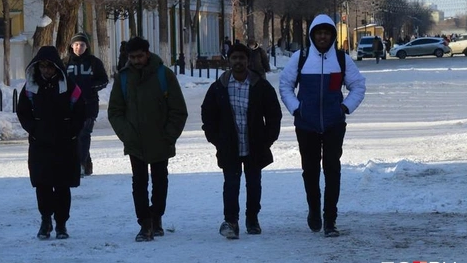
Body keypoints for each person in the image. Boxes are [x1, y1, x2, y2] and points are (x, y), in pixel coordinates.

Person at [279, 15, 366, 237]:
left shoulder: (342, 59)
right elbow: (285, 85)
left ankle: (330, 220)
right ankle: (314, 211)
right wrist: (296, 109)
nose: (323, 36)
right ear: (312, 35)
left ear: (333, 35)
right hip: (306, 125)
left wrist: (344, 108)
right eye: (319, 33)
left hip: (333, 124)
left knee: (332, 171)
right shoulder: (301, 58)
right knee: (310, 172)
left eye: (327, 33)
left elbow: (358, 86)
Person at [107, 37, 188, 242]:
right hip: (135, 141)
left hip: (160, 139)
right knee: (139, 182)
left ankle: (156, 216)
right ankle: (144, 223)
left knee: (160, 180)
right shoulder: (124, 78)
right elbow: (115, 111)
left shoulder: (164, 75)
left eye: (139, 56)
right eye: (132, 57)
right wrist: (126, 134)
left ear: (147, 54)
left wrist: (169, 135)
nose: (136, 60)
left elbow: (178, 110)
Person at [201, 42, 282, 239]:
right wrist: (216, 139)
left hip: (255, 145)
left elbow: (274, 115)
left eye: (242, 58)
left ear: (248, 61)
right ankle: (231, 221)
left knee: (254, 184)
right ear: (229, 61)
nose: (238, 62)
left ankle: (252, 220)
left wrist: (267, 140)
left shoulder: (260, 85)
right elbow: (208, 116)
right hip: (229, 145)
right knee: (231, 184)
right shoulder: (219, 87)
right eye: (234, 58)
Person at [17, 46, 85, 240]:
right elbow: (23, 112)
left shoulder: (69, 87)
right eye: (43, 67)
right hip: (41, 144)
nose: (46, 71)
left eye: (50, 67)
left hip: (65, 145)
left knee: (62, 186)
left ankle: (61, 224)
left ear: (57, 67)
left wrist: (71, 132)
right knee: (43, 184)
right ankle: (45, 220)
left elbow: (80, 112)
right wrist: (34, 129)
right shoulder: (31, 87)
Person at [65, 32, 109, 177]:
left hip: (88, 105)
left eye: (82, 45)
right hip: (69, 106)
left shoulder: (94, 62)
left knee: (84, 134)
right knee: (74, 135)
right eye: (76, 44)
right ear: (71, 46)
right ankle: (86, 162)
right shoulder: (65, 62)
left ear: (87, 46)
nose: (79, 47)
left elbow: (103, 80)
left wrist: (91, 87)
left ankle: (81, 165)